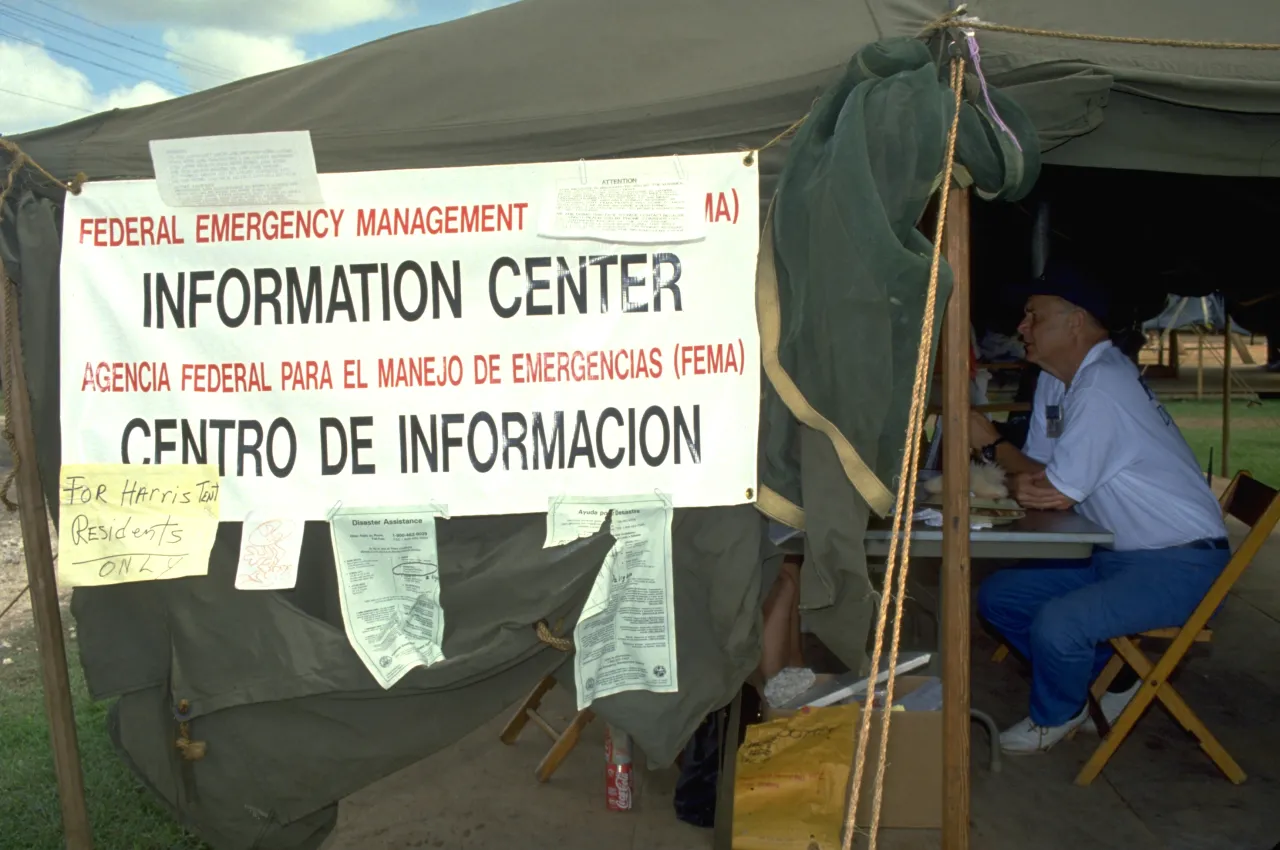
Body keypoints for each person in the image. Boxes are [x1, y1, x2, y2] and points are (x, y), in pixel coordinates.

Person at [968, 266, 1230, 755]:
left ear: (1076, 322)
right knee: (1001, 597)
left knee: (1059, 623)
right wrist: (1008, 462)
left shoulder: (1101, 386)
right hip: (1119, 554)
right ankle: (1108, 683)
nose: (1020, 327)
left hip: (1180, 562)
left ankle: (1058, 715)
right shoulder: (1059, 380)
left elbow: (1048, 492)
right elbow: (1040, 472)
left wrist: (991, 443)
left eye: (1033, 315)